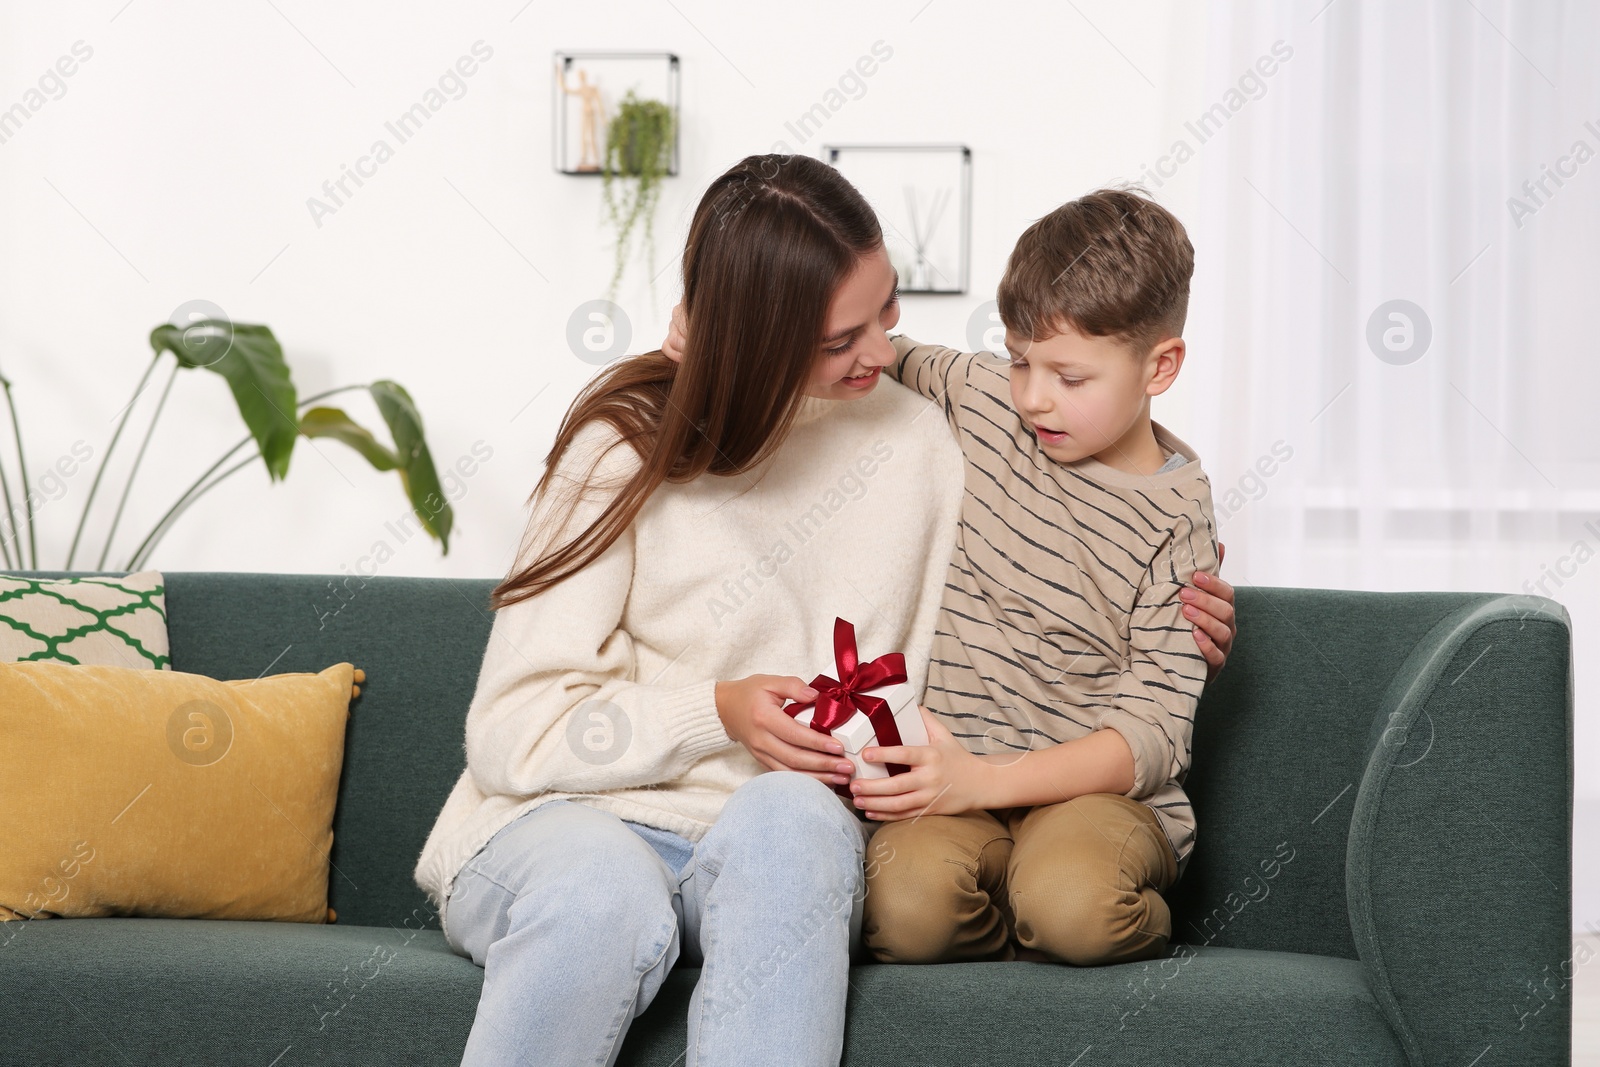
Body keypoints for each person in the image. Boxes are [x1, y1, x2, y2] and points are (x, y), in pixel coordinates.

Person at [416, 157, 1236, 1066]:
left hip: (768, 827)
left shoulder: (927, 438)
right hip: (569, 820)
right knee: (604, 894)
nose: (882, 352)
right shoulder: (625, 446)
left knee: (799, 823)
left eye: (887, 311)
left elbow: (1096, 466)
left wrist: (1180, 568)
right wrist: (714, 710)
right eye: (844, 337)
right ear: (758, 339)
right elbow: (508, 731)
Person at [851, 187, 1219, 968]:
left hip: (1092, 797)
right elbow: (872, 352)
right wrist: (708, 331)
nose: (1033, 396)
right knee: (906, 910)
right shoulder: (989, 402)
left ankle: (1057, 911)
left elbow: (1150, 737)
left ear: (1161, 366)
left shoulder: (1177, 523)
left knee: (1073, 906)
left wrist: (981, 781)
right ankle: (1016, 943)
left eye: (1070, 377)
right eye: (1020, 359)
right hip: (952, 779)